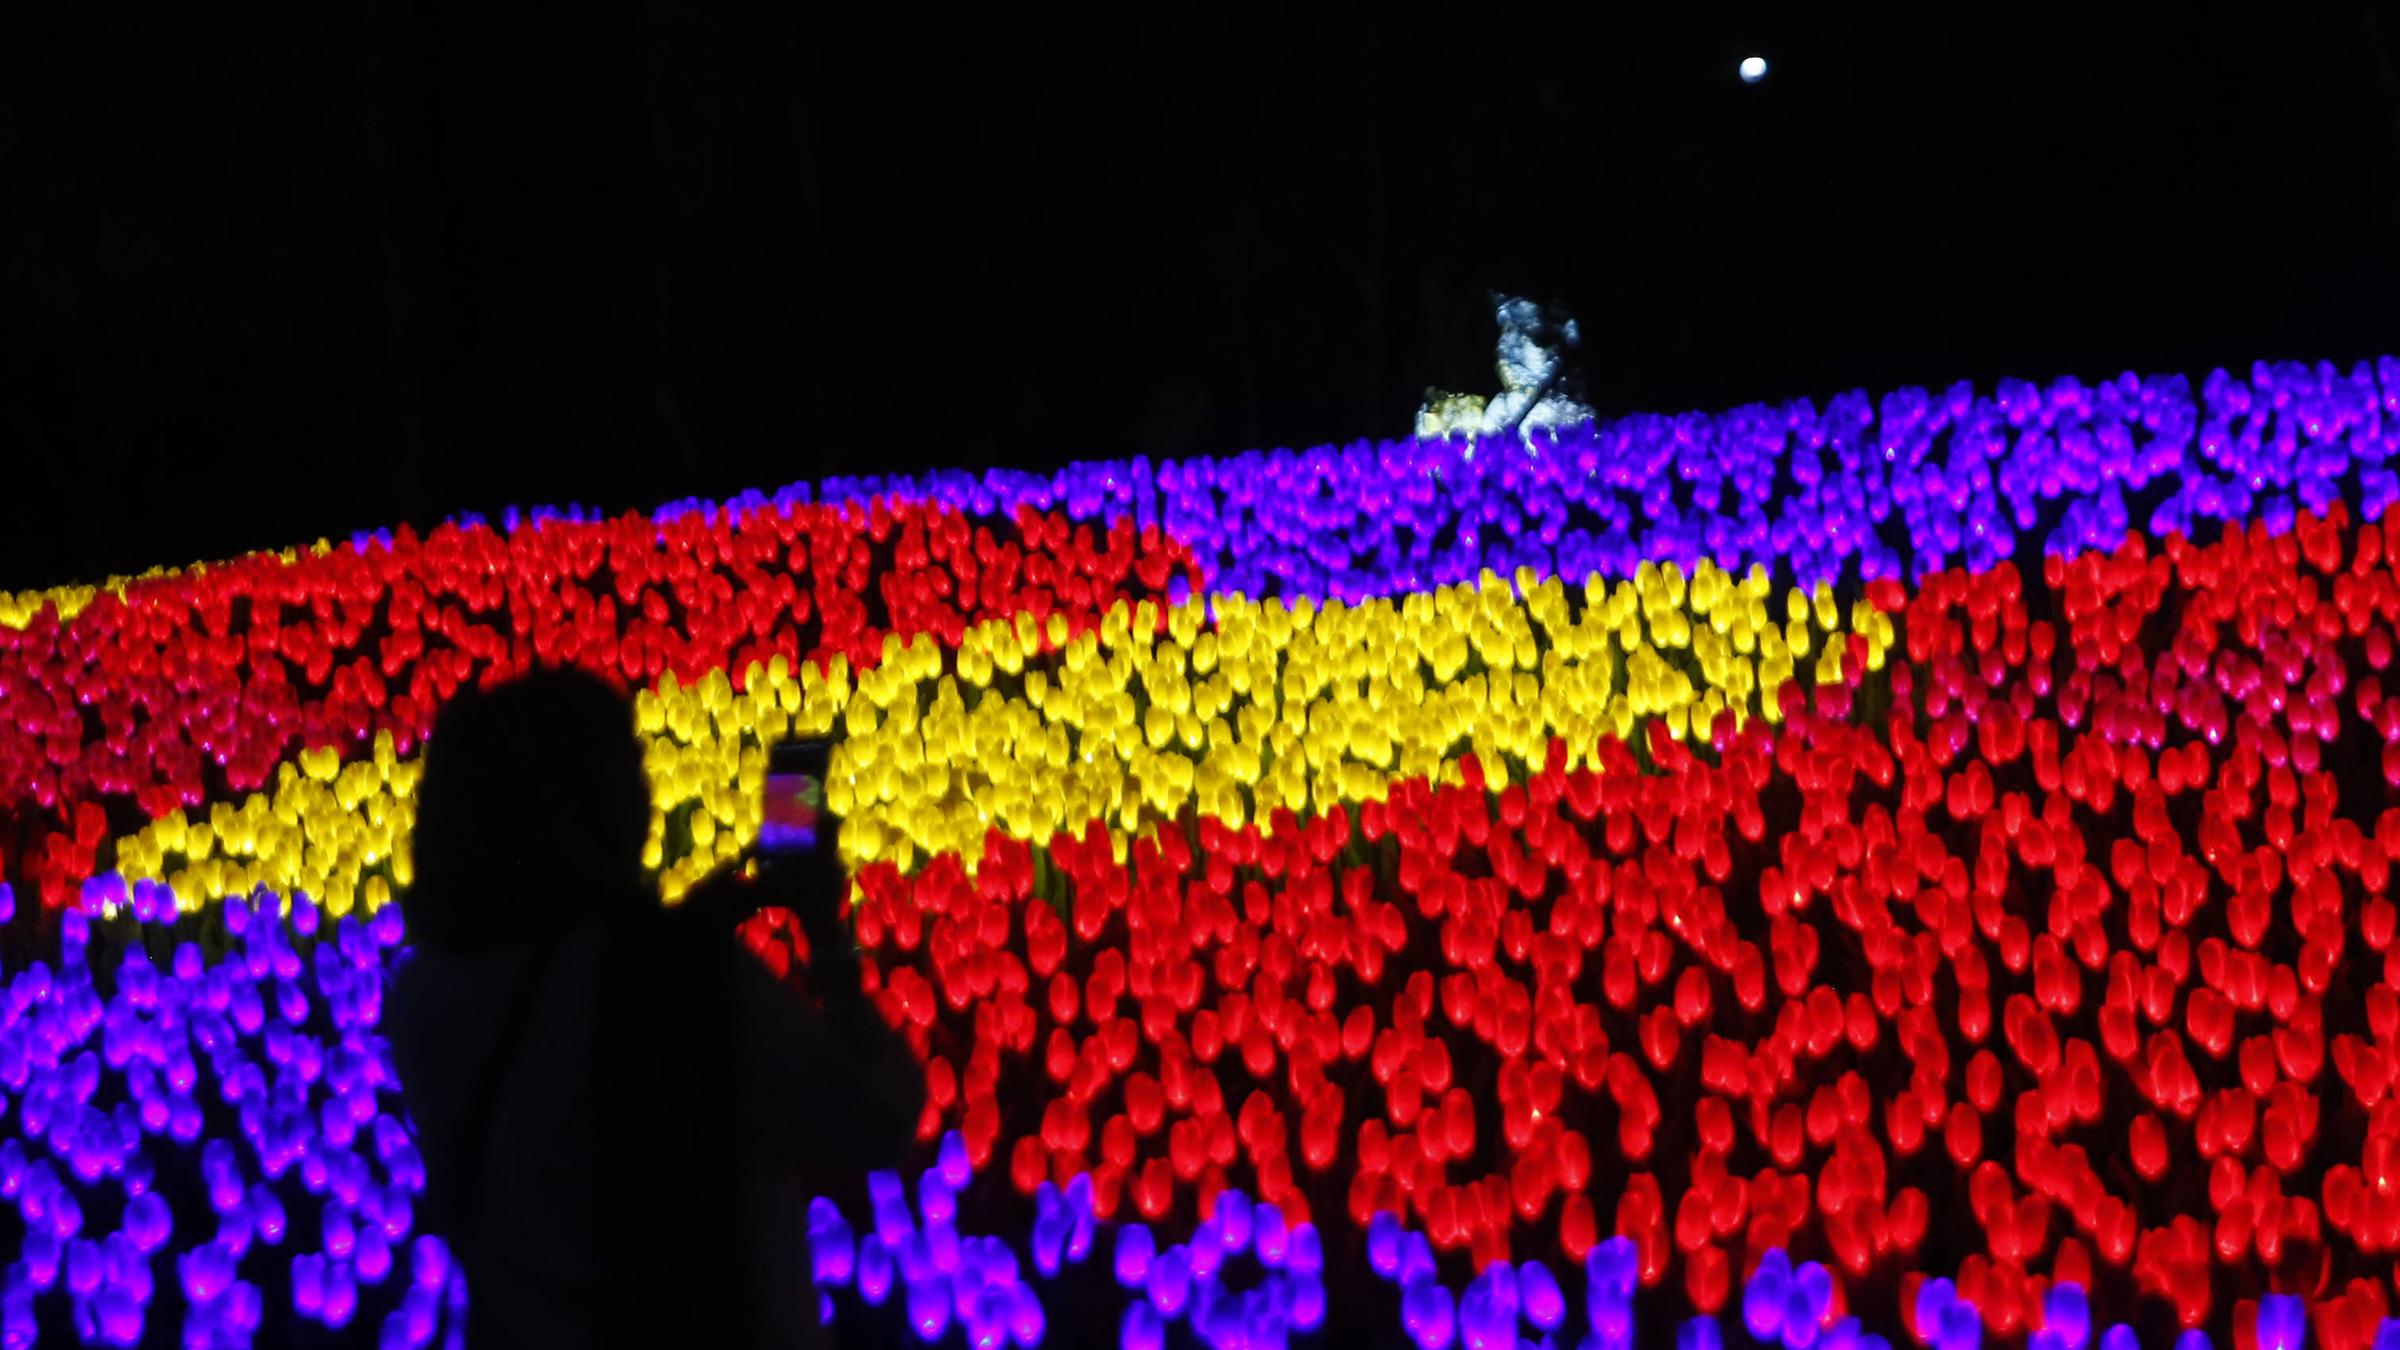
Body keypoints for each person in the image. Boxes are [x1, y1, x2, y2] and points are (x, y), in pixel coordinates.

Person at [386, 665, 924, 1349]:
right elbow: (873, 1118)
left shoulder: (424, 996)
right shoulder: (681, 981)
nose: (645, 791)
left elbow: (563, 984)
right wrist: (826, 937)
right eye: (629, 768)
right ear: (582, 807)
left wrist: (676, 929)